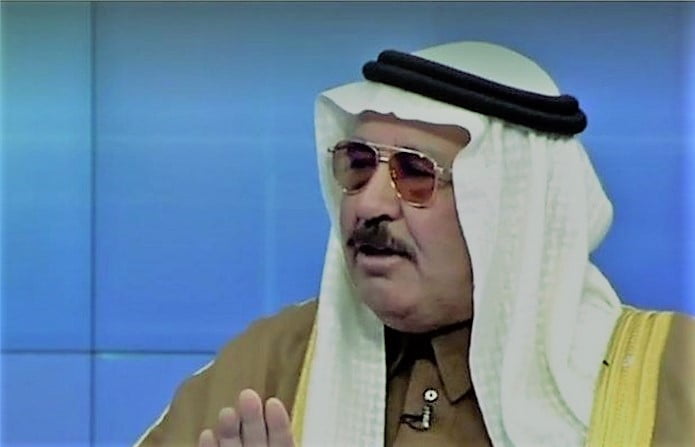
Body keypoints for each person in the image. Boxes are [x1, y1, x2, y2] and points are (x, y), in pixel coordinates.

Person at [134, 41, 694, 447]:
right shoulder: (271, 365)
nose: (368, 204)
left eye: (416, 173)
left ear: (509, 209)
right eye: (358, 165)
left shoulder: (673, 376)